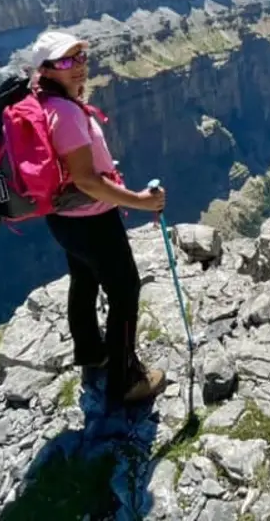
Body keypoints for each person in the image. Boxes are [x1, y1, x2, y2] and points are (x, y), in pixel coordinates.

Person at [28, 29, 168, 406]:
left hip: (63, 218)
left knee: (84, 280)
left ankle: (92, 354)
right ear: (45, 69)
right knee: (125, 290)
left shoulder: (41, 102)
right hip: (91, 219)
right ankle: (126, 380)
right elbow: (87, 180)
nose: (78, 67)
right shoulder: (66, 114)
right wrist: (140, 201)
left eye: (81, 58)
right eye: (66, 61)